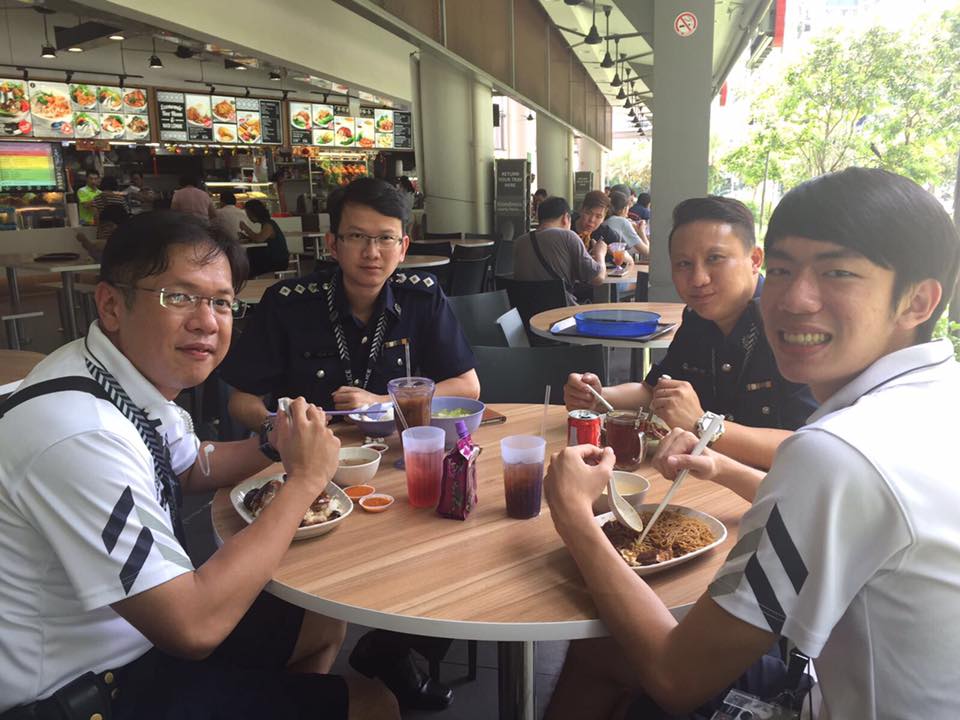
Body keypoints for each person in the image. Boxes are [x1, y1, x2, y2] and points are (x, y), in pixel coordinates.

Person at [543, 166, 960, 720]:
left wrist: (572, 514)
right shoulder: (935, 392)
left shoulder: (838, 453)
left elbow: (677, 675)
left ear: (917, 301)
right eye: (786, 270)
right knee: (607, 648)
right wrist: (718, 463)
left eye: (837, 272)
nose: (794, 300)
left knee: (618, 650)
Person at [0, 211, 397, 720]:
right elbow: (192, 628)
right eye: (179, 296)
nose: (206, 321)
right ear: (111, 304)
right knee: (373, 705)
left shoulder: (116, 374)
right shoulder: (80, 434)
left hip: (140, 635)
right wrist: (305, 479)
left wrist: (280, 442)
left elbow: (191, 468)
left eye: (221, 302)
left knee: (319, 623)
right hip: (85, 690)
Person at [219, 177, 480, 710]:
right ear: (332, 244)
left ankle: (392, 647)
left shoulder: (422, 298)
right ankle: (311, 680)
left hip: (400, 463)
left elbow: (467, 386)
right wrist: (278, 423)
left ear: (404, 245)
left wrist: (385, 400)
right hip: (312, 474)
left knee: (455, 545)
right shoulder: (289, 302)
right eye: (357, 237)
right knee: (319, 588)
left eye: (386, 238)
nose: (372, 252)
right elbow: (241, 399)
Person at [564, 197, 817, 470]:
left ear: (755, 259)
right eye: (684, 264)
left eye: (715, 259)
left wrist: (702, 424)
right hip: (701, 482)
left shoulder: (794, 326)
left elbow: (811, 448)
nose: (698, 279)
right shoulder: (697, 318)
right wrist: (600, 396)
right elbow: (654, 393)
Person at [513, 196, 612, 305]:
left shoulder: (519, 242)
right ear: (566, 218)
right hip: (561, 313)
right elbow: (598, 279)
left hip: (526, 313)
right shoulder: (568, 236)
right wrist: (600, 253)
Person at [239, 198, 291, 277]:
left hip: (278, 261)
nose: (248, 216)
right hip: (276, 258)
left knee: (248, 262)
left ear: (253, 213)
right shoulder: (268, 223)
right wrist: (247, 237)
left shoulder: (268, 225)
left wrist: (246, 229)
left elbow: (259, 239)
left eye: (248, 213)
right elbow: (262, 238)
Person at [603, 191, 649, 258]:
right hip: (618, 265)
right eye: (628, 209)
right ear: (624, 209)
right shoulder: (623, 222)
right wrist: (641, 231)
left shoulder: (605, 220)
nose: (628, 213)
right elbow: (647, 252)